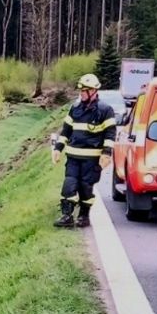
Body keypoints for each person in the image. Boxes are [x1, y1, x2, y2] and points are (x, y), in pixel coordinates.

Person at [51, 73, 116, 228]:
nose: (81, 94)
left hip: (91, 160)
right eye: (81, 91)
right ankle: (67, 216)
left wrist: (107, 153)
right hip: (73, 157)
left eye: (84, 91)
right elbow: (66, 131)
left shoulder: (105, 110)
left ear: (93, 91)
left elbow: (110, 133)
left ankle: (84, 216)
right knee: (69, 184)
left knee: (85, 188)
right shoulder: (75, 109)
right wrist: (58, 148)